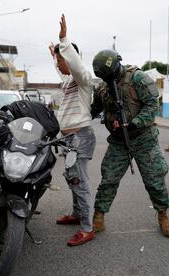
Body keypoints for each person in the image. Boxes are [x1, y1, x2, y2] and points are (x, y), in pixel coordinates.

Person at [90, 49, 169, 238]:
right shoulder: (103, 88)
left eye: (108, 75)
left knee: (154, 179)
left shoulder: (138, 78)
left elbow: (152, 106)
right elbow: (93, 110)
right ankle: (99, 215)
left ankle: (163, 214)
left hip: (144, 137)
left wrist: (132, 123)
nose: (107, 79)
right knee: (109, 178)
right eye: (104, 77)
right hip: (119, 141)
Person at [48, 14, 96, 246]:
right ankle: (78, 215)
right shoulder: (68, 81)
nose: (58, 65)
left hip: (80, 137)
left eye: (60, 60)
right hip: (68, 139)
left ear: (69, 58)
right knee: (71, 178)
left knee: (79, 180)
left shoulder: (82, 77)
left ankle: (87, 228)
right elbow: (63, 70)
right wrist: (54, 55)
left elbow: (73, 65)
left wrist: (63, 40)